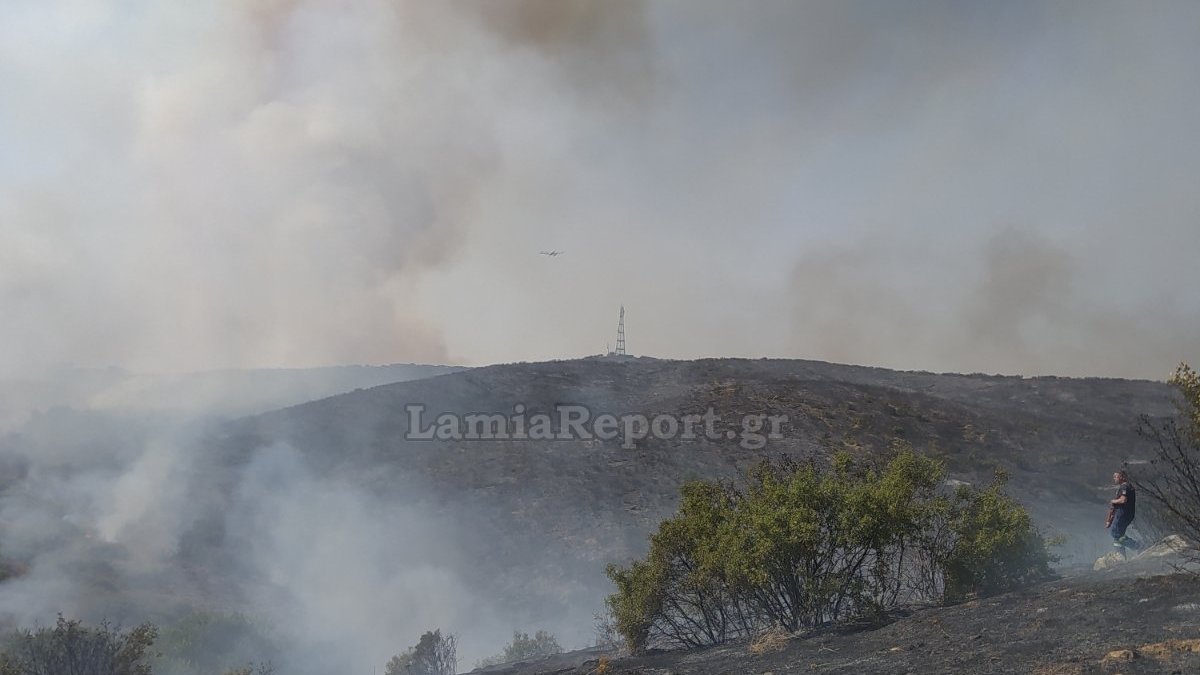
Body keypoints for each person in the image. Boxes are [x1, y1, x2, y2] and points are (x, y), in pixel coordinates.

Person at [1108, 470, 1139, 551]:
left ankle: (1137, 546)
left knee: (1115, 533)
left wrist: (1113, 501)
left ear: (1122, 477)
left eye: (1116, 476)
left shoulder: (1124, 487)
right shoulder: (1129, 486)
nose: (1114, 478)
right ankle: (1120, 554)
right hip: (1127, 514)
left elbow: (1123, 500)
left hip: (1123, 513)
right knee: (1120, 535)